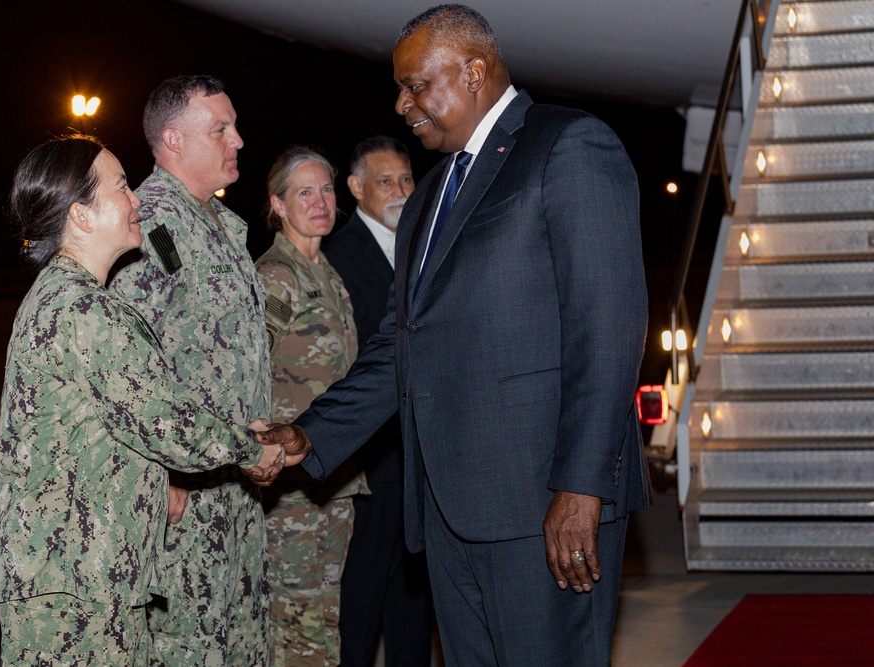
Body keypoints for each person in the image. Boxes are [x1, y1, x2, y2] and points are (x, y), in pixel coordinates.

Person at [266, 5, 650, 665]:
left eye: (416, 85)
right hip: (449, 516)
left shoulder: (568, 146)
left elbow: (606, 328)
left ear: (474, 73)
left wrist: (582, 487)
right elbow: (400, 345)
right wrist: (312, 433)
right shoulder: (429, 196)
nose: (401, 103)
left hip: (544, 507)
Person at [0, 135, 285, 666]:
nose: (137, 202)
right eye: (123, 187)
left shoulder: (69, 299)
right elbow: (167, 423)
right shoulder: (83, 310)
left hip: (89, 573)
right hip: (76, 582)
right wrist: (253, 448)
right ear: (81, 215)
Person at [109, 75, 273, 666]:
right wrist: (162, 469)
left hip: (232, 484)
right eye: (220, 129)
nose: (239, 140)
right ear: (173, 140)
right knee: (187, 647)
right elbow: (128, 365)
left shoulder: (221, 227)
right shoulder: (146, 226)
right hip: (185, 495)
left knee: (241, 642)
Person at [255, 147, 369, 666]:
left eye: (325, 189)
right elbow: (248, 369)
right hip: (293, 484)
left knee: (324, 613)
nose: (320, 201)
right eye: (304, 192)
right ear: (278, 205)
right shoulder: (278, 277)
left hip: (335, 474)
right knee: (295, 619)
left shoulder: (327, 273)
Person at [322, 136, 433, 667]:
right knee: (361, 603)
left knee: (413, 603)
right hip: (369, 462)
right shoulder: (337, 258)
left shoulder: (425, 247)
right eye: (385, 182)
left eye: (407, 180)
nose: (400, 191)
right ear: (356, 188)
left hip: (421, 459)